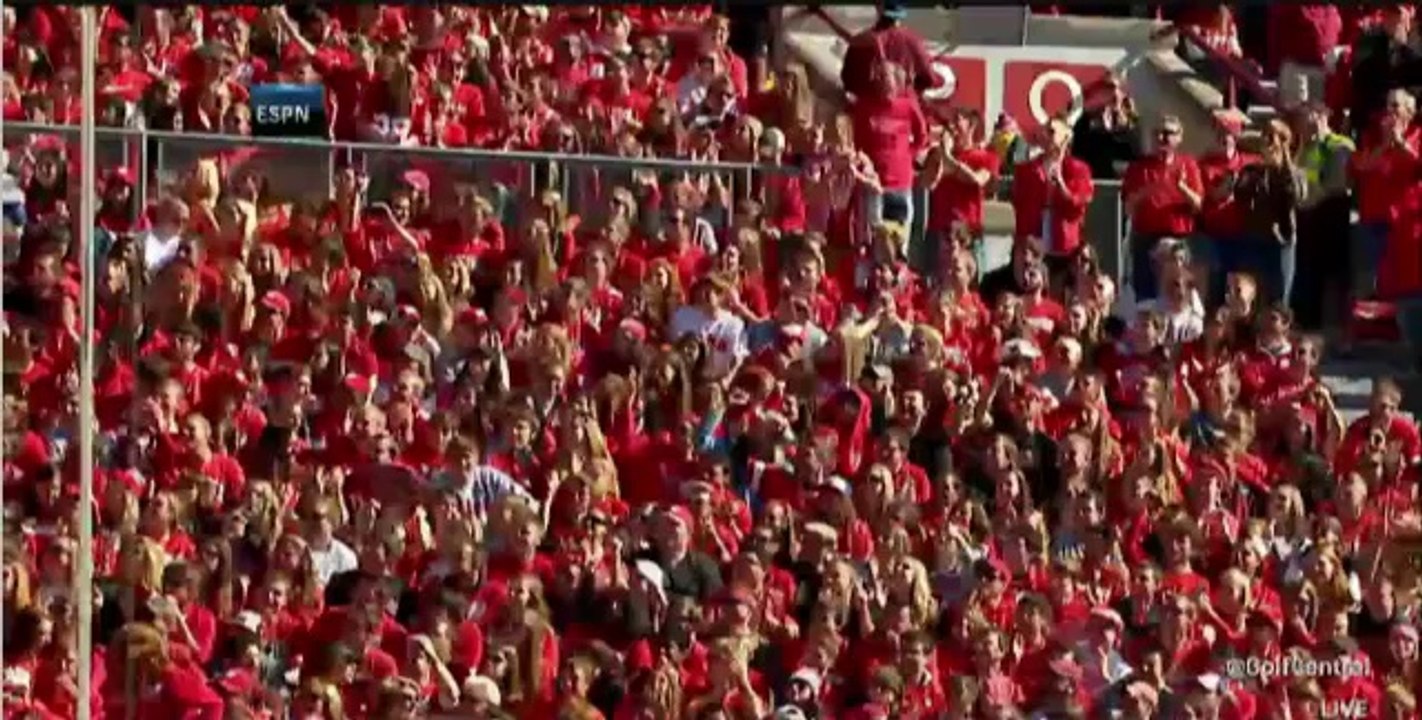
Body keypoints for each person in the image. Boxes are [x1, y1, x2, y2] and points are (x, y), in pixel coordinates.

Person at [1122, 114, 1204, 302]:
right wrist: (1147, 191)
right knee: (1145, 294)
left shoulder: (1188, 165)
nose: (1161, 138)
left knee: (1179, 291)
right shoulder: (1139, 167)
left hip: (1178, 238)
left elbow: (1198, 205)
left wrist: (1182, 188)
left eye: (1167, 133)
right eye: (1157, 133)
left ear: (1179, 136)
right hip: (1147, 237)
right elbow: (1128, 207)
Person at [1290, 101, 1355, 329]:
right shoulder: (1305, 148)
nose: (1299, 126)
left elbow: (1335, 184)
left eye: (1304, 121)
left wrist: (1307, 198)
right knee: (1310, 273)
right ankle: (1310, 323)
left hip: (1331, 214)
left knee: (1337, 277)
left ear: (1320, 118)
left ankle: (1343, 330)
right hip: (1308, 218)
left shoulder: (1339, 145)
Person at [1010, 117, 1096, 281]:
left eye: (1052, 132)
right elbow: (1019, 205)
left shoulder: (1078, 170)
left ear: (1066, 137)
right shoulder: (1027, 169)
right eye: (1044, 131)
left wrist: (1061, 184)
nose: (1046, 135)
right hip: (1033, 235)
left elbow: (1078, 204)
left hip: (1064, 239)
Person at [1070, 74, 1143, 180]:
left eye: (1118, 89)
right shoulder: (1086, 117)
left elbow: (1132, 149)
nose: (1114, 93)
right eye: (1109, 88)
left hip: (1114, 175)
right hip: (1089, 173)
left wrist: (1121, 120)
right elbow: (1079, 140)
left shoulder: (1130, 118)